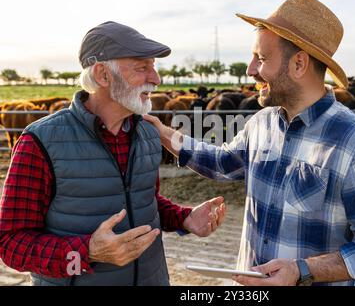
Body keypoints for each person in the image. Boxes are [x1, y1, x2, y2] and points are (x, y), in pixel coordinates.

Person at [144, 0, 355, 286]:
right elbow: (223, 162)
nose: (250, 70)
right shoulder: (262, 124)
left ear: (299, 64)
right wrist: (163, 133)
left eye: (261, 58)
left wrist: (302, 270)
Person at [0, 21, 226, 286]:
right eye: (142, 68)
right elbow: (11, 243)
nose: (156, 79)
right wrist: (87, 252)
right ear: (103, 75)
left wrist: (184, 218)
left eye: (154, 68)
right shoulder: (40, 142)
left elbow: (143, 201)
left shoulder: (147, 134)